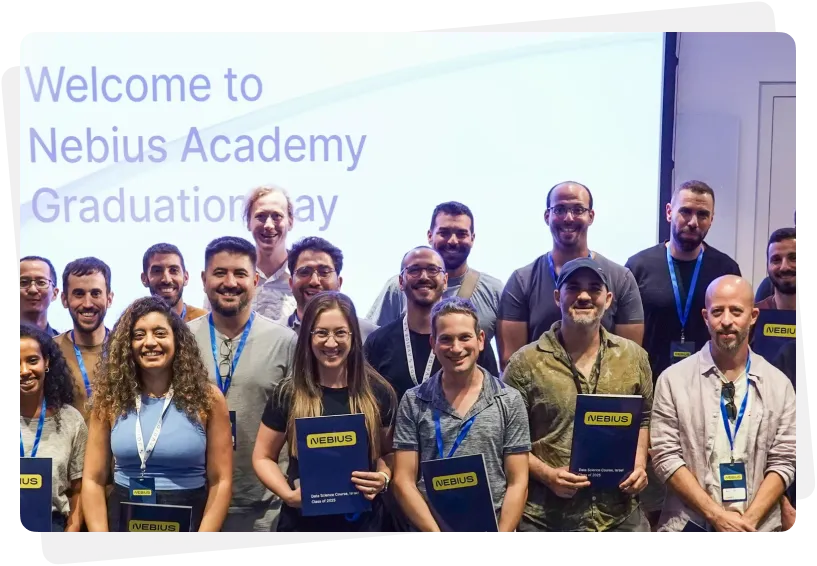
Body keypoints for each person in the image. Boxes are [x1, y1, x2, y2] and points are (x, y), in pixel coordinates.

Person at [503, 257, 653, 533]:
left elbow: (643, 419)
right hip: (547, 518)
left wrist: (640, 464)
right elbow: (509, 441)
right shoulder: (524, 363)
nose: (584, 296)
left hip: (619, 514)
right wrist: (547, 475)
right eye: (573, 288)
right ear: (558, 297)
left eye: (594, 289)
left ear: (608, 299)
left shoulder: (634, 358)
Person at [625, 180, 741, 524]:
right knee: (649, 496)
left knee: (699, 491)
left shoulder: (725, 268)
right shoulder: (639, 265)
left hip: (705, 395)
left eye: (702, 214)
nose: (693, 221)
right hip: (651, 395)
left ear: (711, 219)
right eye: (686, 211)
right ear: (669, 212)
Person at [649, 276, 796, 532]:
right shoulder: (673, 380)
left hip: (757, 527)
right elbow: (665, 457)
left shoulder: (779, 384)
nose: (726, 320)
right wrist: (716, 515)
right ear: (706, 316)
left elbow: (784, 460)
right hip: (689, 525)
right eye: (717, 311)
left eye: (736, 311)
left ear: (753, 316)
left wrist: (747, 522)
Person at [81, 296, 233, 532]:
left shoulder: (209, 399)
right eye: (139, 335)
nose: (149, 342)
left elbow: (221, 481)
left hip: (192, 517)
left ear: (177, 341)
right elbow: (93, 479)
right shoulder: (108, 399)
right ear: (127, 345)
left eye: (160, 333)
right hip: (125, 514)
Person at [252, 291, 397, 532]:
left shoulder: (379, 392)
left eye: (340, 332)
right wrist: (287, 495)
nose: (331, 343)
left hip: (367, 523)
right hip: (303, 523)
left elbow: (390, 455)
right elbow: (262, 456)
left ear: (353, 336)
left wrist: (383, 478)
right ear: (308, 336)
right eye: (321, 333)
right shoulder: (289, 393)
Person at [391, 297, 531, 532]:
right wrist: (435, 532)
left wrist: (503, 532)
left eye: (464, 337)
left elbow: (518, 481)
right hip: (430, 528)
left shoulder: (509, 399)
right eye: (446, 339)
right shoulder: (414, 400)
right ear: (433, 343)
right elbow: (403, 481)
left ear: (480, 340)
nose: (456, 348)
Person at [188, 236, 298, 532]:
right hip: (197, 504)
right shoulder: (181, 340)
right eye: (220, 272)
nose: (230, 282)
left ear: (256, 279)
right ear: (203, 279)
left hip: (266, 508)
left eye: (240, 273)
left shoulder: (285, 341)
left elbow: (299, 422)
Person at [498, 181, 644, 370]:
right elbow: (511, 365)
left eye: (577, 210)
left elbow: (629, 361)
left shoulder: (621, 279)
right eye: (559, 209)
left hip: (603, 397)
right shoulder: (521, 281)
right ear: (547, 216)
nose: (568, 218)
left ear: (591, 216)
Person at [364, 246, 499, 402]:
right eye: (414, 270)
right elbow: (367, 403)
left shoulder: (470, 342)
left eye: (433, 270)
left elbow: (494, 398)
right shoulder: (378, 342)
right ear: (401, 281)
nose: (424, 277)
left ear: (445, 280)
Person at [367, 201, 504, 353]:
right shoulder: (400, 287)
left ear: (472, 238)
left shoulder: (494, 291)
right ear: (430, 236)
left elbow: (507, 358)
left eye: (461, 234)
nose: (453, 241)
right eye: (444, 233)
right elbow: (373, 344)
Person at [19, 324, 88, 532]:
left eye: (32, 360)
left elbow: (79, 489)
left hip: (52, 524)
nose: (24, 371)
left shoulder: (70, 421)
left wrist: (73, 528)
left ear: (46, 362)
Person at [204, 185, 297, 324]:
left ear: (290, 222)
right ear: (248, 222)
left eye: (277, 216)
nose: (269, 225)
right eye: (260, 216)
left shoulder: (302, 278)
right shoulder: (227, 280)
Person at [53, 257, 114, 422]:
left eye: (95, 293)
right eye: (79, 294)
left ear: (109, 298)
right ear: (65, 299)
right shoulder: (50, 351)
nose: (87, 303)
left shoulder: (128, 347)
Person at [286, 236, 378, 341]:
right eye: (305, 272)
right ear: (290, 283)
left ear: (339, 283)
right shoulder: (275, 334)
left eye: (324, 272)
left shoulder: (370, 335)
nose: (314, 281)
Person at [141, 243, 208, 322]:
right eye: (157, 271)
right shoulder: (133, 326)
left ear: (186, 278)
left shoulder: (206, 321)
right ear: (144, 279)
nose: (167, 280)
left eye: (173, 270)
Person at [19, 255, 61, 336]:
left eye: (41, 282)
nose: (33, 290)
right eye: (23, 282)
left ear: (54, 293)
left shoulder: (63, 347)